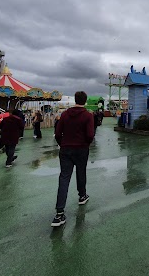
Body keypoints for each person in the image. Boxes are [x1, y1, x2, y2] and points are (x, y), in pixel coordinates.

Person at [51, 91, 95, 227]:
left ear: (75, 99)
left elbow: (57, 133)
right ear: (85, 101)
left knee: (64, 177)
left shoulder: (65, 114)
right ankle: (82, 196)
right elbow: (90, 134)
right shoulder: (88, 116)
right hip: (81, 149)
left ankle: (59, 213)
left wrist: (62, 143)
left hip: (65, 149)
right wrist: (86, 144)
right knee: (81, 172)